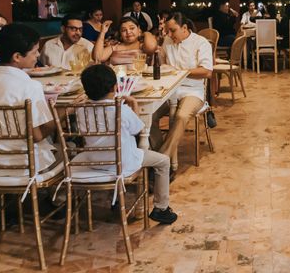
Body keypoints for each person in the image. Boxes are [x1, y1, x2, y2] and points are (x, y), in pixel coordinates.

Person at [79, 64, 177, 224]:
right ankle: (162, 208)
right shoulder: (121, 110)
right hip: (122, 163)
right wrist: (134, 105)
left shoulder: (80, 110)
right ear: (115, 87)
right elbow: (138, 128)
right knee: (163, 161)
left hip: (95, 161)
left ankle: (117, 199)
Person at [0, 24, 56, 173]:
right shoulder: (30, 86)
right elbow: (37, 135)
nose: (38, 55)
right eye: (34, 51)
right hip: (27, 166)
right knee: (64, 152)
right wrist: (60, 116)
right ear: (17, 57)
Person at [151, 13, 213, 164]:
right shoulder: (167, 41)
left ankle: (162, 159)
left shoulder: (200, 42)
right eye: (167, 31)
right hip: (169, 90)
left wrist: (180, 73)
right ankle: (161, 151)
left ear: (184, 28)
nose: (169, 34)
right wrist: (157, 55)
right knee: (148, 115)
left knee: (181, 116)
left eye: (173, 30)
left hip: (193, 91)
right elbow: (163, 65)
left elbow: (207, 72)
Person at [92, 17, 158, 65]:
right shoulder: (115, 46)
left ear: (138, 29)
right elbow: (98, 58)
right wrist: (103, 32)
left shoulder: (142, 46)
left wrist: (145, 33)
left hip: (142, 81)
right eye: (124, 30)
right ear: (120, 34)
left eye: (132, 28)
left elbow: (151, 48)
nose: (128, 32)